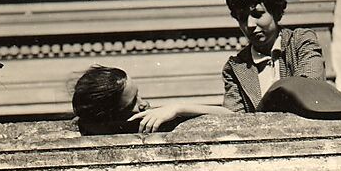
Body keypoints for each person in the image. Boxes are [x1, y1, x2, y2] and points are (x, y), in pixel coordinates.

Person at [221, 0, 326, 112]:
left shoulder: (301, 41)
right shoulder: (235, 67)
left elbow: (311, 86)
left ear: (275, 13)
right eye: (242, 18)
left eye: (257, 14)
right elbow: (233, 116)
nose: (250, 24)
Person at [72, 65, 231, 135]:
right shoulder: (92, 126)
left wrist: (177, 108)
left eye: (138, 94)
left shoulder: (160, 119)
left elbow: (231, 116)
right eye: (132, 103)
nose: (144, 104)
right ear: (108, 116)